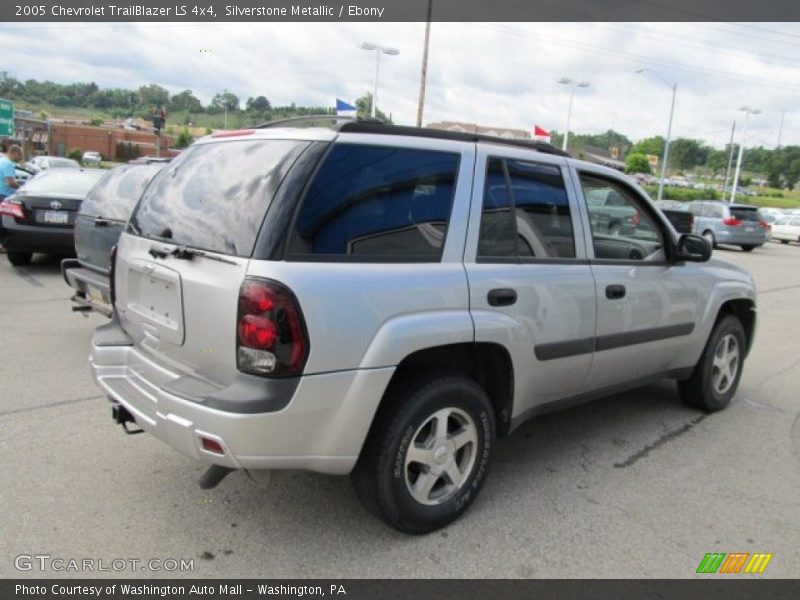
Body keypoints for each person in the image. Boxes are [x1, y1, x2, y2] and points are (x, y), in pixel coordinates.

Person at [0, 145, 24, 253]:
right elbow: (10, 182)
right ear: (15, 153)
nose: (20, 158)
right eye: (20, 155)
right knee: (4, 221)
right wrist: (21, 188)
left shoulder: (1, 161)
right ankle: (2, 245)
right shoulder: (9, 164)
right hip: (4, 195)